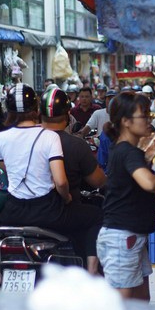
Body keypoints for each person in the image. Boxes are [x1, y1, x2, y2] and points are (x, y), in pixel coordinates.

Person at [0, 84, 93, 285]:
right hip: (47, 211)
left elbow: (5, 168)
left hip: (14, 211)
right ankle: (91, 271)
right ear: (36, 109)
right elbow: (61, 181)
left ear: (8, 111)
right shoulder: (50, 137)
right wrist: (67, 197)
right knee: (95, 216)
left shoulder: (1, 137)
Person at [97, 92, 155, 300]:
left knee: (140, 301)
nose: (149, 120)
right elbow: (148, 183)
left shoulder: (130, 150)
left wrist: (150, 153)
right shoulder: (127, 152)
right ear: (126, 122)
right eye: (144, 116)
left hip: (132, 237)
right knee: (123, 304)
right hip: (122, 238)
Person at [40, 87, 107, 274]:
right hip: (62, 212)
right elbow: (98, 181)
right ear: (68, 115)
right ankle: (92, 270)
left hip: (25, 210)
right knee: (98, 216)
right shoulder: (76, 144)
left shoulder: (28, 141)